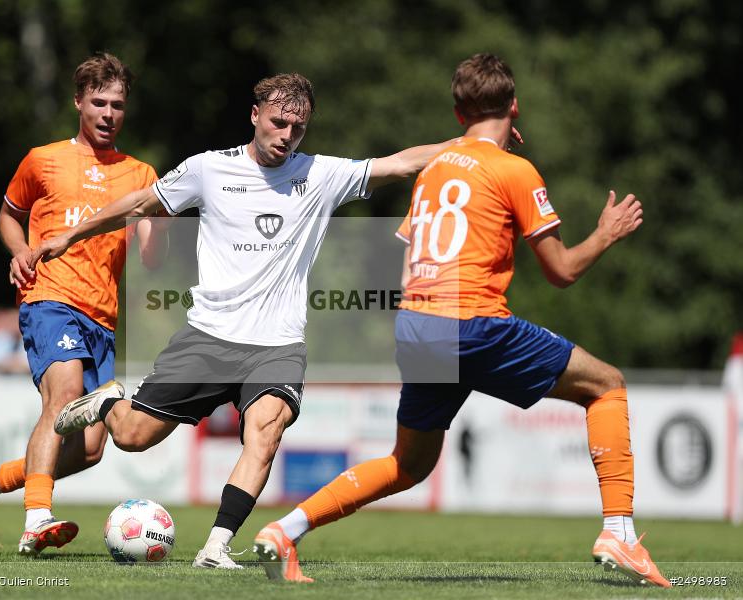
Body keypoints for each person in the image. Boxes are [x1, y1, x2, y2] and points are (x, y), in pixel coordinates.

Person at [253, 53, 671, 588]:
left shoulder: (436, 170)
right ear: (514, 106)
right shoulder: (515, 170)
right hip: (471, 323)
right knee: (606, 386)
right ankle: (619, 532)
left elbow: (406, 257)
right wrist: (606, 233)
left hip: (418, 324)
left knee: (409, 464)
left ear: (458, 114)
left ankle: (286, 531)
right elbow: (561, 271)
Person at [32, 72, 468, 569]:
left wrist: (474, 142)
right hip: (208, 337)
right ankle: (110, 400)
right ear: (255, 116)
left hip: (277, 345)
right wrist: (71, 235)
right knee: (131, 437)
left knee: (267, 430)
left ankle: (217, 546)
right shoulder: (208, 169)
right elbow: (139, 203)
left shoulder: (320, 174)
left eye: (298, 128)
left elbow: (403, 163)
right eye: (278, 123)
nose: (286, 135)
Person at [0, 52, 168, 556]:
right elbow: (8, 215)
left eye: (118, 104)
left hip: (102, 315)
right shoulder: (42, 159)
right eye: (99, 102)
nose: (109, 113)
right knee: (65, 393)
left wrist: (160, 220)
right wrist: (20, 250)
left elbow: (153, 260)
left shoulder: (140, 173)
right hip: (48, 296)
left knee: (92, 448)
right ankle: (37, 518)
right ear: (78, 102)